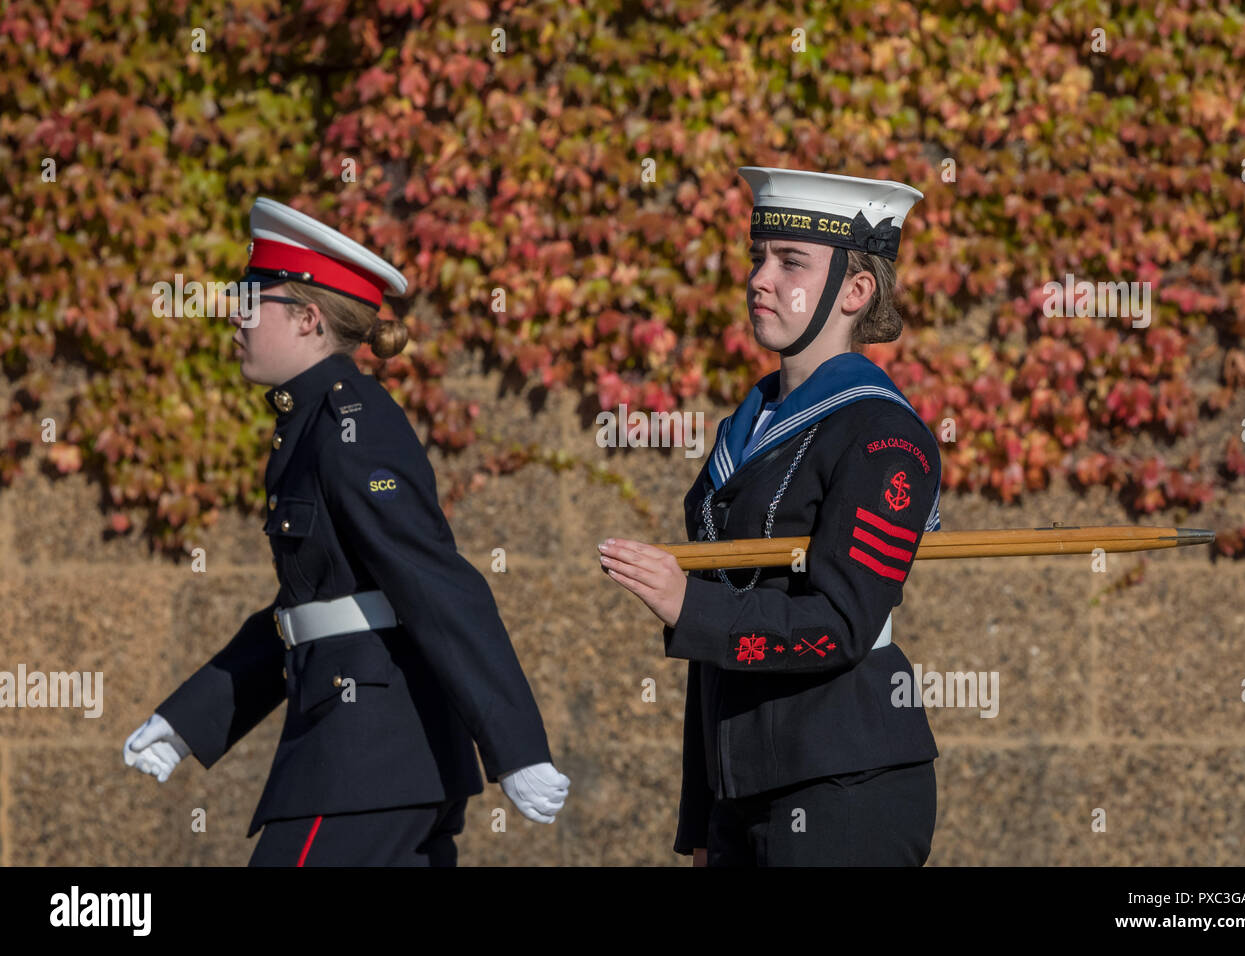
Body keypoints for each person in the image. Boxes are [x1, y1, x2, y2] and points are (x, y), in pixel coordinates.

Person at [123, 197, 569, 866]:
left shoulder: (348, 427)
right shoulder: (312, 425)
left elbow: (436, 582)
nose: (234, 315)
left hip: (366, 762)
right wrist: (189, 719)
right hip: (379, 761)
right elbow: (313, 610)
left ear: (307, 318)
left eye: (252, 297)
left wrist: (517, 748)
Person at [599, 167, 942, 866]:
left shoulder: (883, 435)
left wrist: (685, 604)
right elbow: (719, 647)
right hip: (746, 786)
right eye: (759, 256)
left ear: (856, 290)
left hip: (844, 780)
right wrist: (703, 816)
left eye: (790, 262)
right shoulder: (748, 428)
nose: (759, 278)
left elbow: (843, 626)